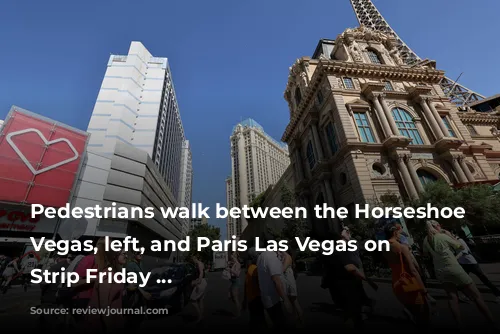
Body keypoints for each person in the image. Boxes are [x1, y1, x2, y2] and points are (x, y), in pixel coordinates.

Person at [423, 220, 496, 329]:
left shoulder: (426, 240)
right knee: (476, 296)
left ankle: (459, 325)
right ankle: (492, 323)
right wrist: (449, 235)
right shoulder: (442, 236)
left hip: (440, 270)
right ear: (436, 226)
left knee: (452, 298)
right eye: (439, 225)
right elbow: (461, 247)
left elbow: (425, 254)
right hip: (453, 267)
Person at [327, 229, 378, 330]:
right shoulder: (340, 252)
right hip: (348, 285)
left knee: (349, 312)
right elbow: (350, 267)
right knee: (353, 314)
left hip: (339, 285)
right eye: (342, 237)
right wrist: (368, 280)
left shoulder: (332, 251)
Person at [384, 223, 430, 329]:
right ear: (395, 232)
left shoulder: (384, 247)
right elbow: (413, 270)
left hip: (396, 282)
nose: (400, 232)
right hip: (409, 282)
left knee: (413, 311)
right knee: (424, 314)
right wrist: (424, 290)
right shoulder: (402, 247)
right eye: (399, 230)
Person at [84, 247, 127, 334]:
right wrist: (110, 327)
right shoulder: (108, 274)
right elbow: (103, 305)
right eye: (123, 254)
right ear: (114, 256)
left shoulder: (116, 273)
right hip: (100, 323)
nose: (126, 256)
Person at [454, 230, 500, 304]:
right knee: (462, 281)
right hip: (463, 263)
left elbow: (464, 251)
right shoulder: (453, 241)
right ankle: (468, 295)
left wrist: (455, 258)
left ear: (454, 233)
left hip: (471, 263)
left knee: (484, 279)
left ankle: (498, 294)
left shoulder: (460, 240)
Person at [256, 247, 292, 329]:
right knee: (283, 325)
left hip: (267, 299)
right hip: (276, 300)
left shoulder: (261, 256)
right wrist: (286, 300)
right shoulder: (271, 257)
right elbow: (277, 281)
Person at [39, 254, 73, 331]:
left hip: (50, 297)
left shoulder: (54, 267)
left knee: (47, 321)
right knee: (61, 320)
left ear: (57, 258)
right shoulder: (72, 267)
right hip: (64, 297)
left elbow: (44, 283)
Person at [123, 250, 151, 331]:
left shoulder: (140, 263)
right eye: (138, 253)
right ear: (134, 254)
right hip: (134, 293)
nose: (141, 254)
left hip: (141, 292)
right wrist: (143, 292)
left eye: (141, 253)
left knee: (140, 313)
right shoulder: (130, 265)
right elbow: (132, 281)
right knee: (133, 314)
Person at [242, 247, 266, 330]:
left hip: (251, 299)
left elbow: (246, 285)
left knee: (253, 321)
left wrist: (244, 300)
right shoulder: (255, 269)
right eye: (258, 255)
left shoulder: (250, 268)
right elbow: (258, 285)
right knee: (260, 322)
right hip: (257, 299)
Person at [278, 249, 303, 325]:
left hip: (289, 282)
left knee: (294, 302)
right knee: (292, 302)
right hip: (286, 281)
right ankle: (295, 320)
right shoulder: (283, 257)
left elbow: (282, 269)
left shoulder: (287, 257)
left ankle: (301, 321)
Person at [189, 254, 207, 324]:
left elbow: (201, 274)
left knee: (192, 299)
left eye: (192, 258)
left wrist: (196, 283)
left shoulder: (199, 264)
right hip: (202, 282)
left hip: (201, 282)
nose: (192, 260)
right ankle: (201, 316)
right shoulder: (198, 264)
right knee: (200, 300)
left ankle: (200, 316)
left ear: (195, 258)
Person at [227, 251, 242, 318]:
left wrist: (230, 270)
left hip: (236, 281)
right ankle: (239, 307)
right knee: (231, 296)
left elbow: (237, 274)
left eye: (232, 255)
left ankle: (238, 312)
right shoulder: (233, 263)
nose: (231, 256)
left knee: (235, 297)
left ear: (235, 256)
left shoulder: (237, 264)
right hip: (232, 281)